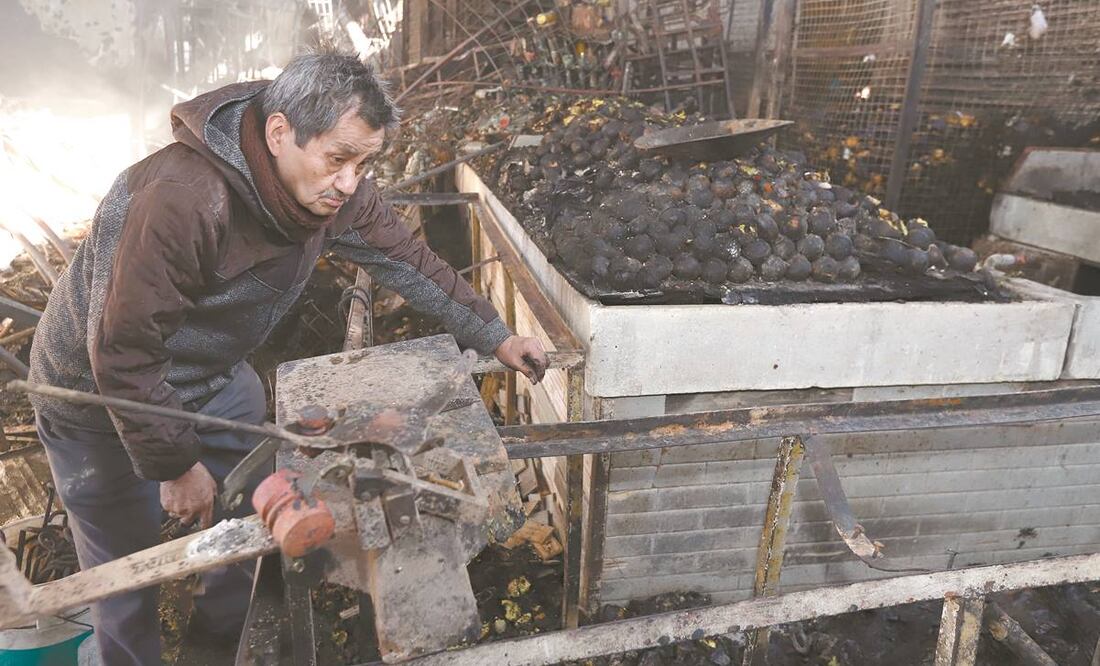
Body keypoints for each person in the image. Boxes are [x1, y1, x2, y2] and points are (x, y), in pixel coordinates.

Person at [27, 49, 547, 665]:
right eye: (338, 159)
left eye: (364, 162)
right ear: (280, 134)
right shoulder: (183, 199)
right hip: (95, 394)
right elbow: (123, 350)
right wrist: (174, 464)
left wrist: (495, 334)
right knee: (125, 574)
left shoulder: (331, 187)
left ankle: (217, 647)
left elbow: (405, 258)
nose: (350, 181)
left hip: (213, 377)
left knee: (263, 511)